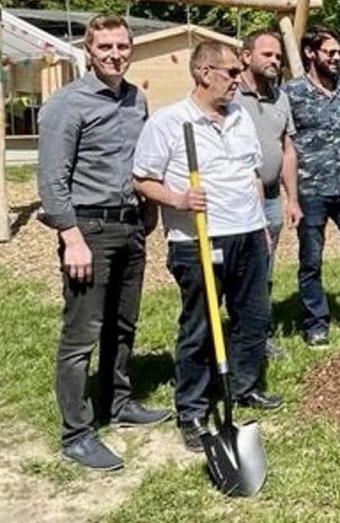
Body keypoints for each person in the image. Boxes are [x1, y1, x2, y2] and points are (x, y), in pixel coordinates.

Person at [133, 40, 283, 454]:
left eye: (238, 72)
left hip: (248, 234)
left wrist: (260, 224)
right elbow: (142, 178)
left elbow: (253, 172)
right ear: (202, 73)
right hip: (198, 237)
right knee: (200, 327)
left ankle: (244, 387)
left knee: (253, 318)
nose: (239, 80)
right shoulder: (169, 122)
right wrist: (179, 200)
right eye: (231, 72)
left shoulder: (240, 117)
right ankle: (194, 410)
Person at [37, 13, 170, 472]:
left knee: (123, 324)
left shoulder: (137, 100)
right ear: (88, 51)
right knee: (81, 336)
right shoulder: (66, 105)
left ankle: (118, 402)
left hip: (130, 226)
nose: (115, 55)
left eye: (122, 47)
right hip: (88, 230)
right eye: (105, 48)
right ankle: (77, 433)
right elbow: (52, 180)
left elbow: (145, 161)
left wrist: (150, 211)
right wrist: (71, 237)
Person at [284, 26, 340, 348]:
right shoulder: (291, 93)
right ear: (311, 53)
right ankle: (316, 322)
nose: (337, 58)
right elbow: (285, 143)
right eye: (330, 52)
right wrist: (292, 195)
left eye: (339, 53)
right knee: (311, 259)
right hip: (311, 191)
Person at [237, 29, 303, 359]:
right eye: (267, 54)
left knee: (264, 269)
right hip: (237, 201)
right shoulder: (230, 95)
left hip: (273, 197)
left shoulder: (280, 97)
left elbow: (287, 149)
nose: (275, 60)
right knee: (235, 271)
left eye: (278, 56)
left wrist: (292, 199)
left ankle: (258, 338)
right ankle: (229, 338)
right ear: (246, 56)